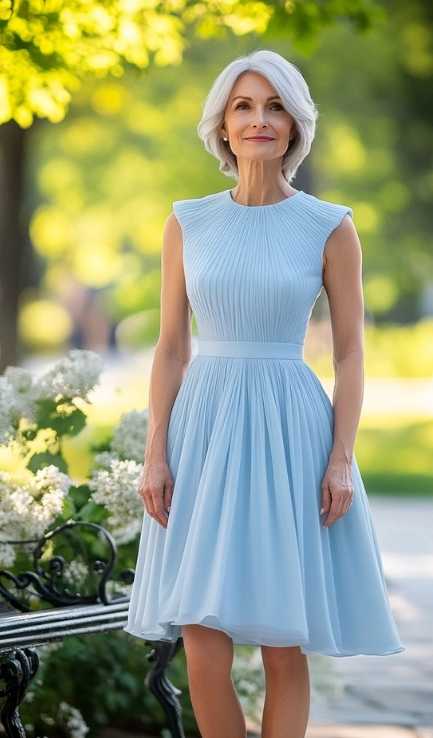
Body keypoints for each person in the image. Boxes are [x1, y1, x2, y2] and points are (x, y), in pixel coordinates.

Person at [125, 49, 403, 738]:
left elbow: (349, 351)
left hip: (291, 431)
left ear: (295, 125)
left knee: (283, 640)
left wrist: (342, 457)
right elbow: (170, 348)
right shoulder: (186, 222)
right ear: (222, 124)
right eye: (245, 106)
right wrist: (155, 454)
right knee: (200, 638)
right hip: (205, 430)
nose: (259, 120)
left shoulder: (329, 224)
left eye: (275, 106)